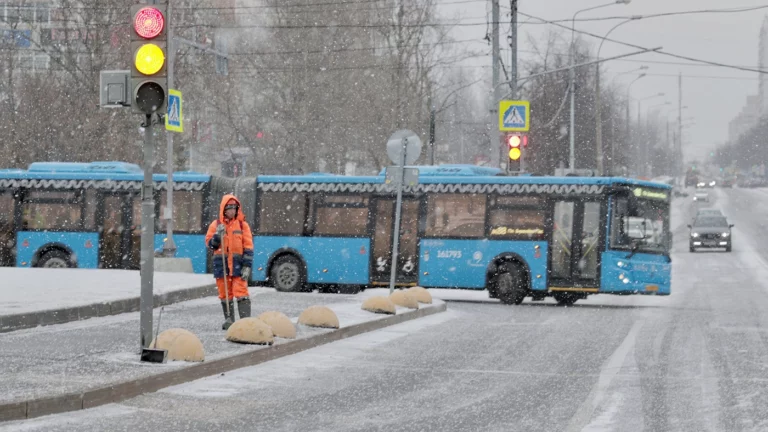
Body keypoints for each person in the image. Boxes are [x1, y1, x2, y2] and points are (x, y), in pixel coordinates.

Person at [205, 194, 254, 330]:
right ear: (223, 209)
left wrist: (247, 266)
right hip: (222, 266)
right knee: (225, 294)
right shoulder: (215, 225)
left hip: (239, 265)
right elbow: (210, 245)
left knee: (242, 292)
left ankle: (246, 324)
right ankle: (230, 321)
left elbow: (248, 247)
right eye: (229, 208)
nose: (232, 211)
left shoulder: (243, 226)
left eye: (234, 208)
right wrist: (217, 236)